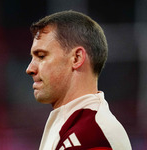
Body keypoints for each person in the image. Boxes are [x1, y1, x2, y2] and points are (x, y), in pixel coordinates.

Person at [26, 10, 132, 150]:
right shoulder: (74, 125)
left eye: (41, 56)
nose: (30, 69)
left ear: (76, 58)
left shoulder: (94, 136)